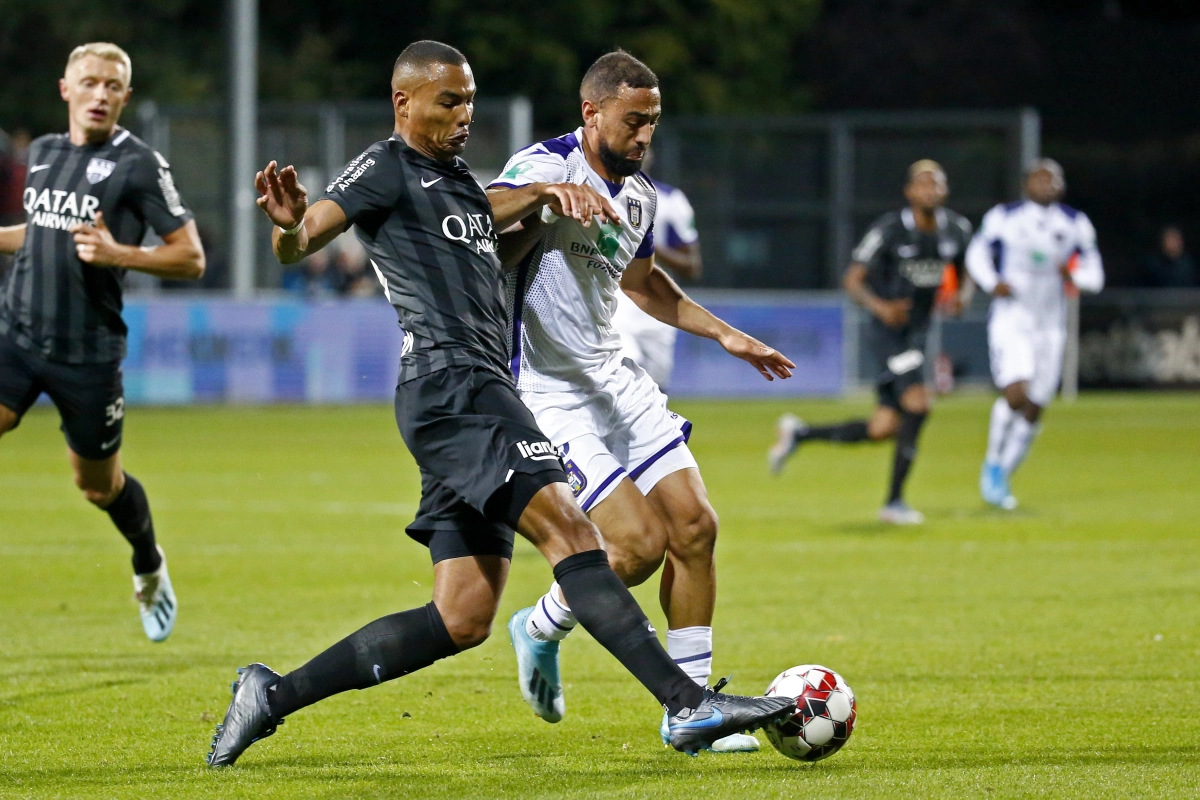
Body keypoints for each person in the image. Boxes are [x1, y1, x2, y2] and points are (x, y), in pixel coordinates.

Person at [205, 41, 794, 768]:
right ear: (404, 103)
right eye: (449, 102)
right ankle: (688, 702)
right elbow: (302, 241)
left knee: (461, 617)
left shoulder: (456, 182)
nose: (464, 116)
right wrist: (291, 225)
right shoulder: (390, 167)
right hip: (458, 387)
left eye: (470, 102)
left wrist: (546, 220)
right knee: (580, 538)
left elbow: (505, 244)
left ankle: (270, 695)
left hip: (470, 391)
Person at [486, 50, 794, 752]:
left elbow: (645, 285)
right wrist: (540, 200)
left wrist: (724, 334)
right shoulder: (542, 166)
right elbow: (476, 217)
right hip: (544, 389)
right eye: (633, 121)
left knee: (695, 527)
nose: (644, 136)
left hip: (613, 377)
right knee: (633, 546)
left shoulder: (640, 197)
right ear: (591, 113)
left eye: (652, 122)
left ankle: (693, 712)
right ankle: (539, 624)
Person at [0, 43, 205, 641]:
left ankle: (147, 560)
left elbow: (189, 257)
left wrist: (120, 254)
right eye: (89, 83)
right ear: (66, 89)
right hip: (16, 333)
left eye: (113, 86)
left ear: (125, 97)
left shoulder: (139, 165)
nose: (100, 94)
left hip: (86, 355)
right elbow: (40, 235)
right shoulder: (41, 153)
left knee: (97, 485)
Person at [768, 160, 973, 525]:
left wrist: (963, 296)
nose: (930, 190)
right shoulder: (892, 229)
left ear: (945, 191)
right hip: (888, 334)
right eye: (922, 183)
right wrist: (881, 307)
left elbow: (967, 270)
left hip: (917, 335)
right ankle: (894, 503)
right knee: (919, 403)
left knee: (883, 428)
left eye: (937, 184)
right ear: (909, 191)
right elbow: (853, 278)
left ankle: (800, 433)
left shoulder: (956, 230)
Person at [968, 158, 1104, 509]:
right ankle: (992, 465)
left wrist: (1076, 278)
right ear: (1025, 183)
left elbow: (1095, 274)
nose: (1045, 184)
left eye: (1052, 179)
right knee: (1016, 393)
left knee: (1035, 406)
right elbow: (977, 253)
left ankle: (1002, 474)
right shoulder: (1005, 216)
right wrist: (990, 282)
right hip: (1013, 318)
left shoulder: (1074, 223)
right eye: (1039, 178)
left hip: (1050, 325)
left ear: (1061, 186)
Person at [608, 148, 702, 391]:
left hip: (657, 304)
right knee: (623, 374)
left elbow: (693, 267)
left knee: (656, 390)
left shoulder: (672, 200)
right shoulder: (599, 192)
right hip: (614, 298)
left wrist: (649, 246)